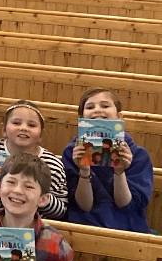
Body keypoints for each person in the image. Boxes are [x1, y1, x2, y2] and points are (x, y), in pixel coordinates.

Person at [64, 88, 153, 233]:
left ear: (119, 116)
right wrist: (84, 170)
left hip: (127, 228)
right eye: (90, 107)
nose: (97, 110)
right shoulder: (71, 153)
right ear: (81, 118)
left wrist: (119, 172)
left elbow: (126, 205)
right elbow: (83, 206)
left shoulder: (139, 155)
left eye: (105, 106)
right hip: (84, 226)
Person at [0, 100, 68, 219]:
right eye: (16, 123)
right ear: (4, 130)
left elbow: (61, 210)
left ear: (40, 135)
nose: (24, 128)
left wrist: (40, 197)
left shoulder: (53, 165)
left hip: (33, 228)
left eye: (31, 125)